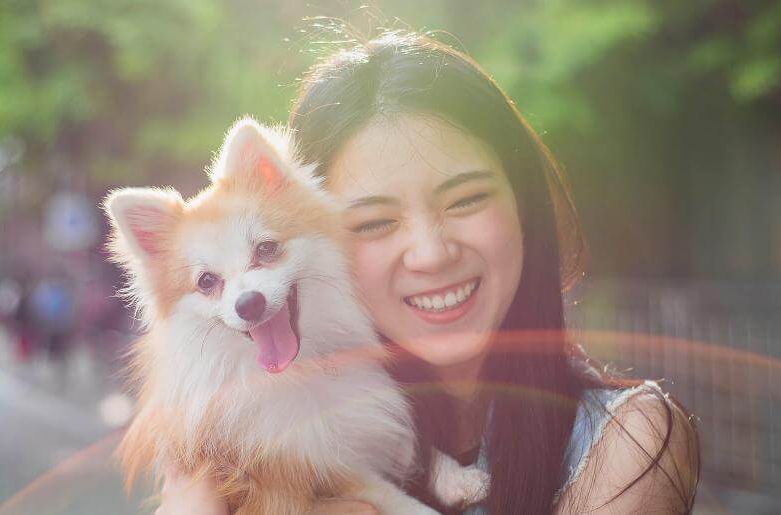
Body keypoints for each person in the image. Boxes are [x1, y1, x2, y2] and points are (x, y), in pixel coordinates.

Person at [156, 30, 699, 514]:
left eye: (464, 201)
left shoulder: (631, 438)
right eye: (373, 223)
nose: (431, 253)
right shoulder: (252, 454)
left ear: (523, 207)